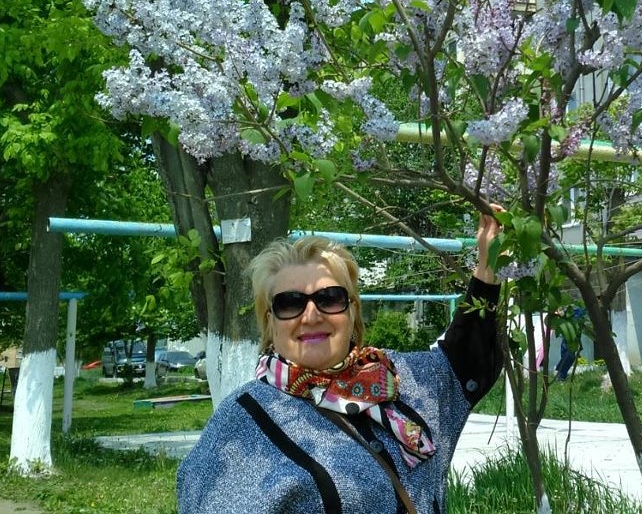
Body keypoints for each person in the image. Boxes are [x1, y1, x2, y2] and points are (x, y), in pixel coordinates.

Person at [177, 213, 502, 514]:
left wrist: (489, 265)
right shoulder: (238, 425)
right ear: (270, 321)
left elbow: (464, 362)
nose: (312, 315)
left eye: (329, 298)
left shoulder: (395, 377)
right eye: (290, 303)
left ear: (352, 311)